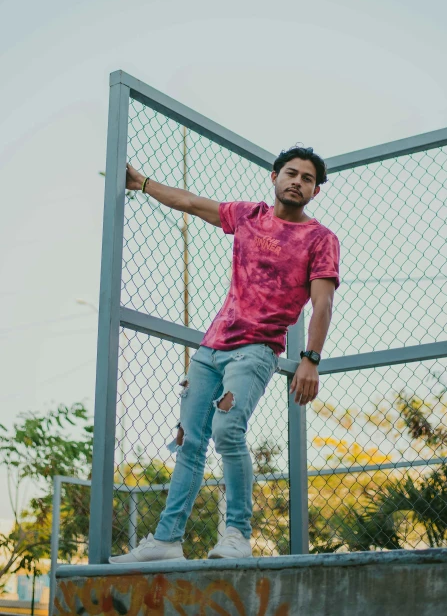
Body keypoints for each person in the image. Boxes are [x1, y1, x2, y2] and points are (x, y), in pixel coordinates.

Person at [109, 145, 340, 563]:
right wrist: (141, 184)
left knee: (227, 430)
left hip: (256, 350)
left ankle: (237, 535)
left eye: (307, 179)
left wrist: (311, 358)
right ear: (274, 177)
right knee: (189, 441)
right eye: (291, 173)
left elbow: (322, 304)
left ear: (315, 192)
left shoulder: (320, 239)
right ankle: (166, 541)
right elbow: (193, 203)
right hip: (211, 346)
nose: (297, 182)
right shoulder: (249, 216)